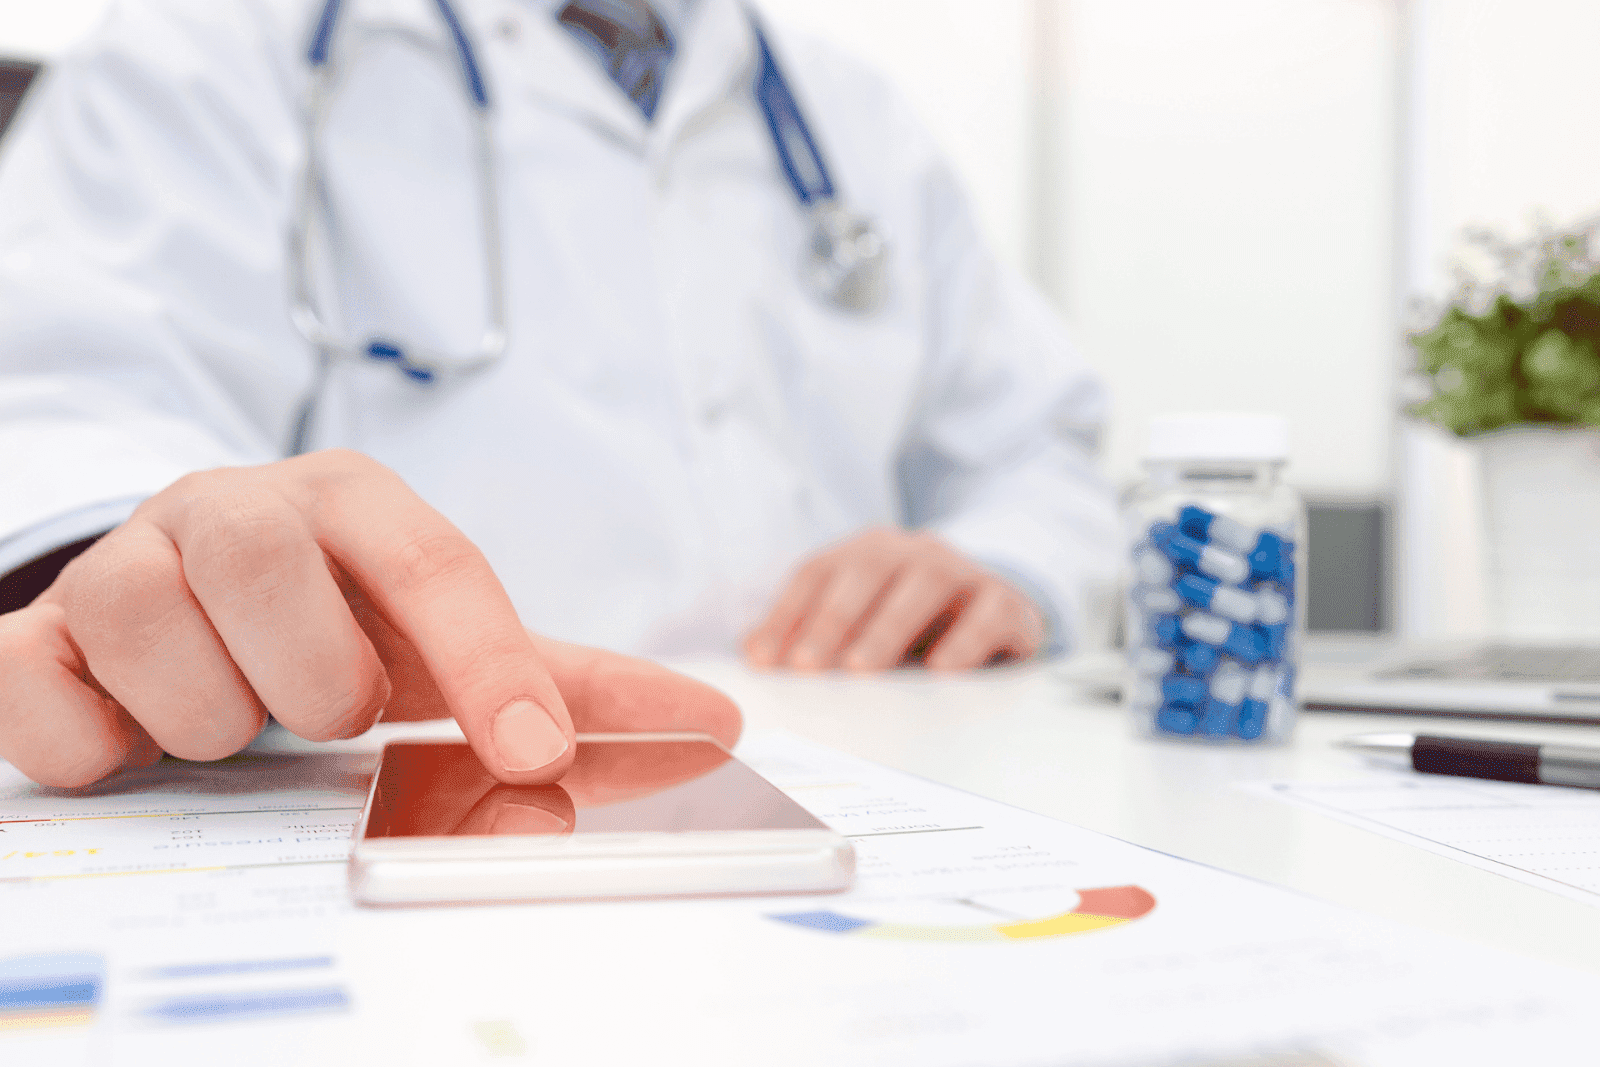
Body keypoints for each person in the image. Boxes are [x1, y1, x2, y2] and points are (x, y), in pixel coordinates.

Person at [0, 0, 1117, 787]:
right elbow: (64, 411)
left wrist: (998, 562)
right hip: (392, 781)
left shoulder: (849, 109)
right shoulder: (200, 54)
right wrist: (186, 585)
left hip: (865, 769)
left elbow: (1042, 451)